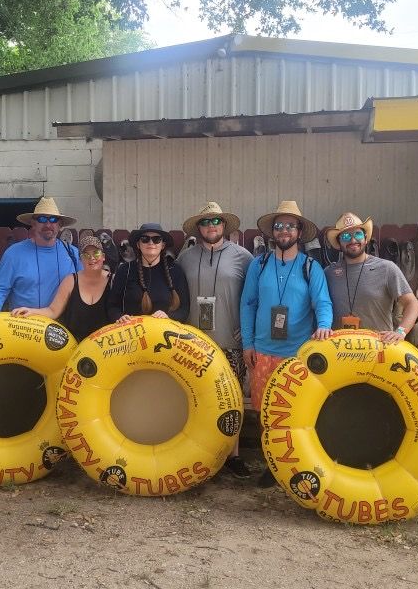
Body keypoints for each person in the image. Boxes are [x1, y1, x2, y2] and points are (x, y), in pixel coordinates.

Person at [239, 201, 333, 486]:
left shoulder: (310, 267)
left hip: (296, 354)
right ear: (272, 232)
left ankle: (293, 464)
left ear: (299, 231)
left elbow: (323, 303)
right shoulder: (260, 264)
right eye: (279, 226)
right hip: (263, 352)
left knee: (293, 412)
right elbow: (248, 304)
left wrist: (325, 327)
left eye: (290, 225)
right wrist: (248, 344)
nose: (284, 231)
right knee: (264, 412)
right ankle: (272, 464)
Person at [176, 202, 254, 479]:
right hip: (193, 342)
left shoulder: (243, 257)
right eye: (206, 222)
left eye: (216, 221)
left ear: (224, 226)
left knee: (230, 399)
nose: (212, 226)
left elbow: (253, 299)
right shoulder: (184, 259)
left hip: (230, 340)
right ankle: (200, 453)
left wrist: (247, 331)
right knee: (195, 397)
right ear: (199, 228)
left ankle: (231, 456)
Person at [323, 211, 418, 344]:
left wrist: (400, 332)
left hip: (378, 351)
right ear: (339, 242)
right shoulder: (329, 273)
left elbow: (412, 304)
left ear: (366, 237)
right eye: (345, 236)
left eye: (357, 234)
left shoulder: (387, 269)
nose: (352, 240)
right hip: (340, 354)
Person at [0, 197, 80, 312]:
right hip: (22, 325)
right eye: (42, 219)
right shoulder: (14, 254)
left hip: (62, 326)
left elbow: (87, 286)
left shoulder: (73, 253)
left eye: (53, 219)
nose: (48, 224)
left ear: (60, 224)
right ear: (33, 223)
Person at [11, 235, 111, 341]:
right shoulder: (71, 281)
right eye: (86, 255)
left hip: (105, 348)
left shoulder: (113, 280)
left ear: (103, 256)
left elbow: (119, 312)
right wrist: (30, 311)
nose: (92, 258)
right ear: (81, 259)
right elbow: (53, 311)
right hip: (74, 345)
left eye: (96, 253)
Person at [108, 223, 190, 322]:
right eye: (145, 239)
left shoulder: (175, 271)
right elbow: (112, 306)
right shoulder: (125, 270)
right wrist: (119, 317)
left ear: (162, 245)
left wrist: (169, 317)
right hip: (132, 333)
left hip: (165, 333)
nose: (151, 243)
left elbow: (184, 309)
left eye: (156, 239)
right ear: (138, 244)